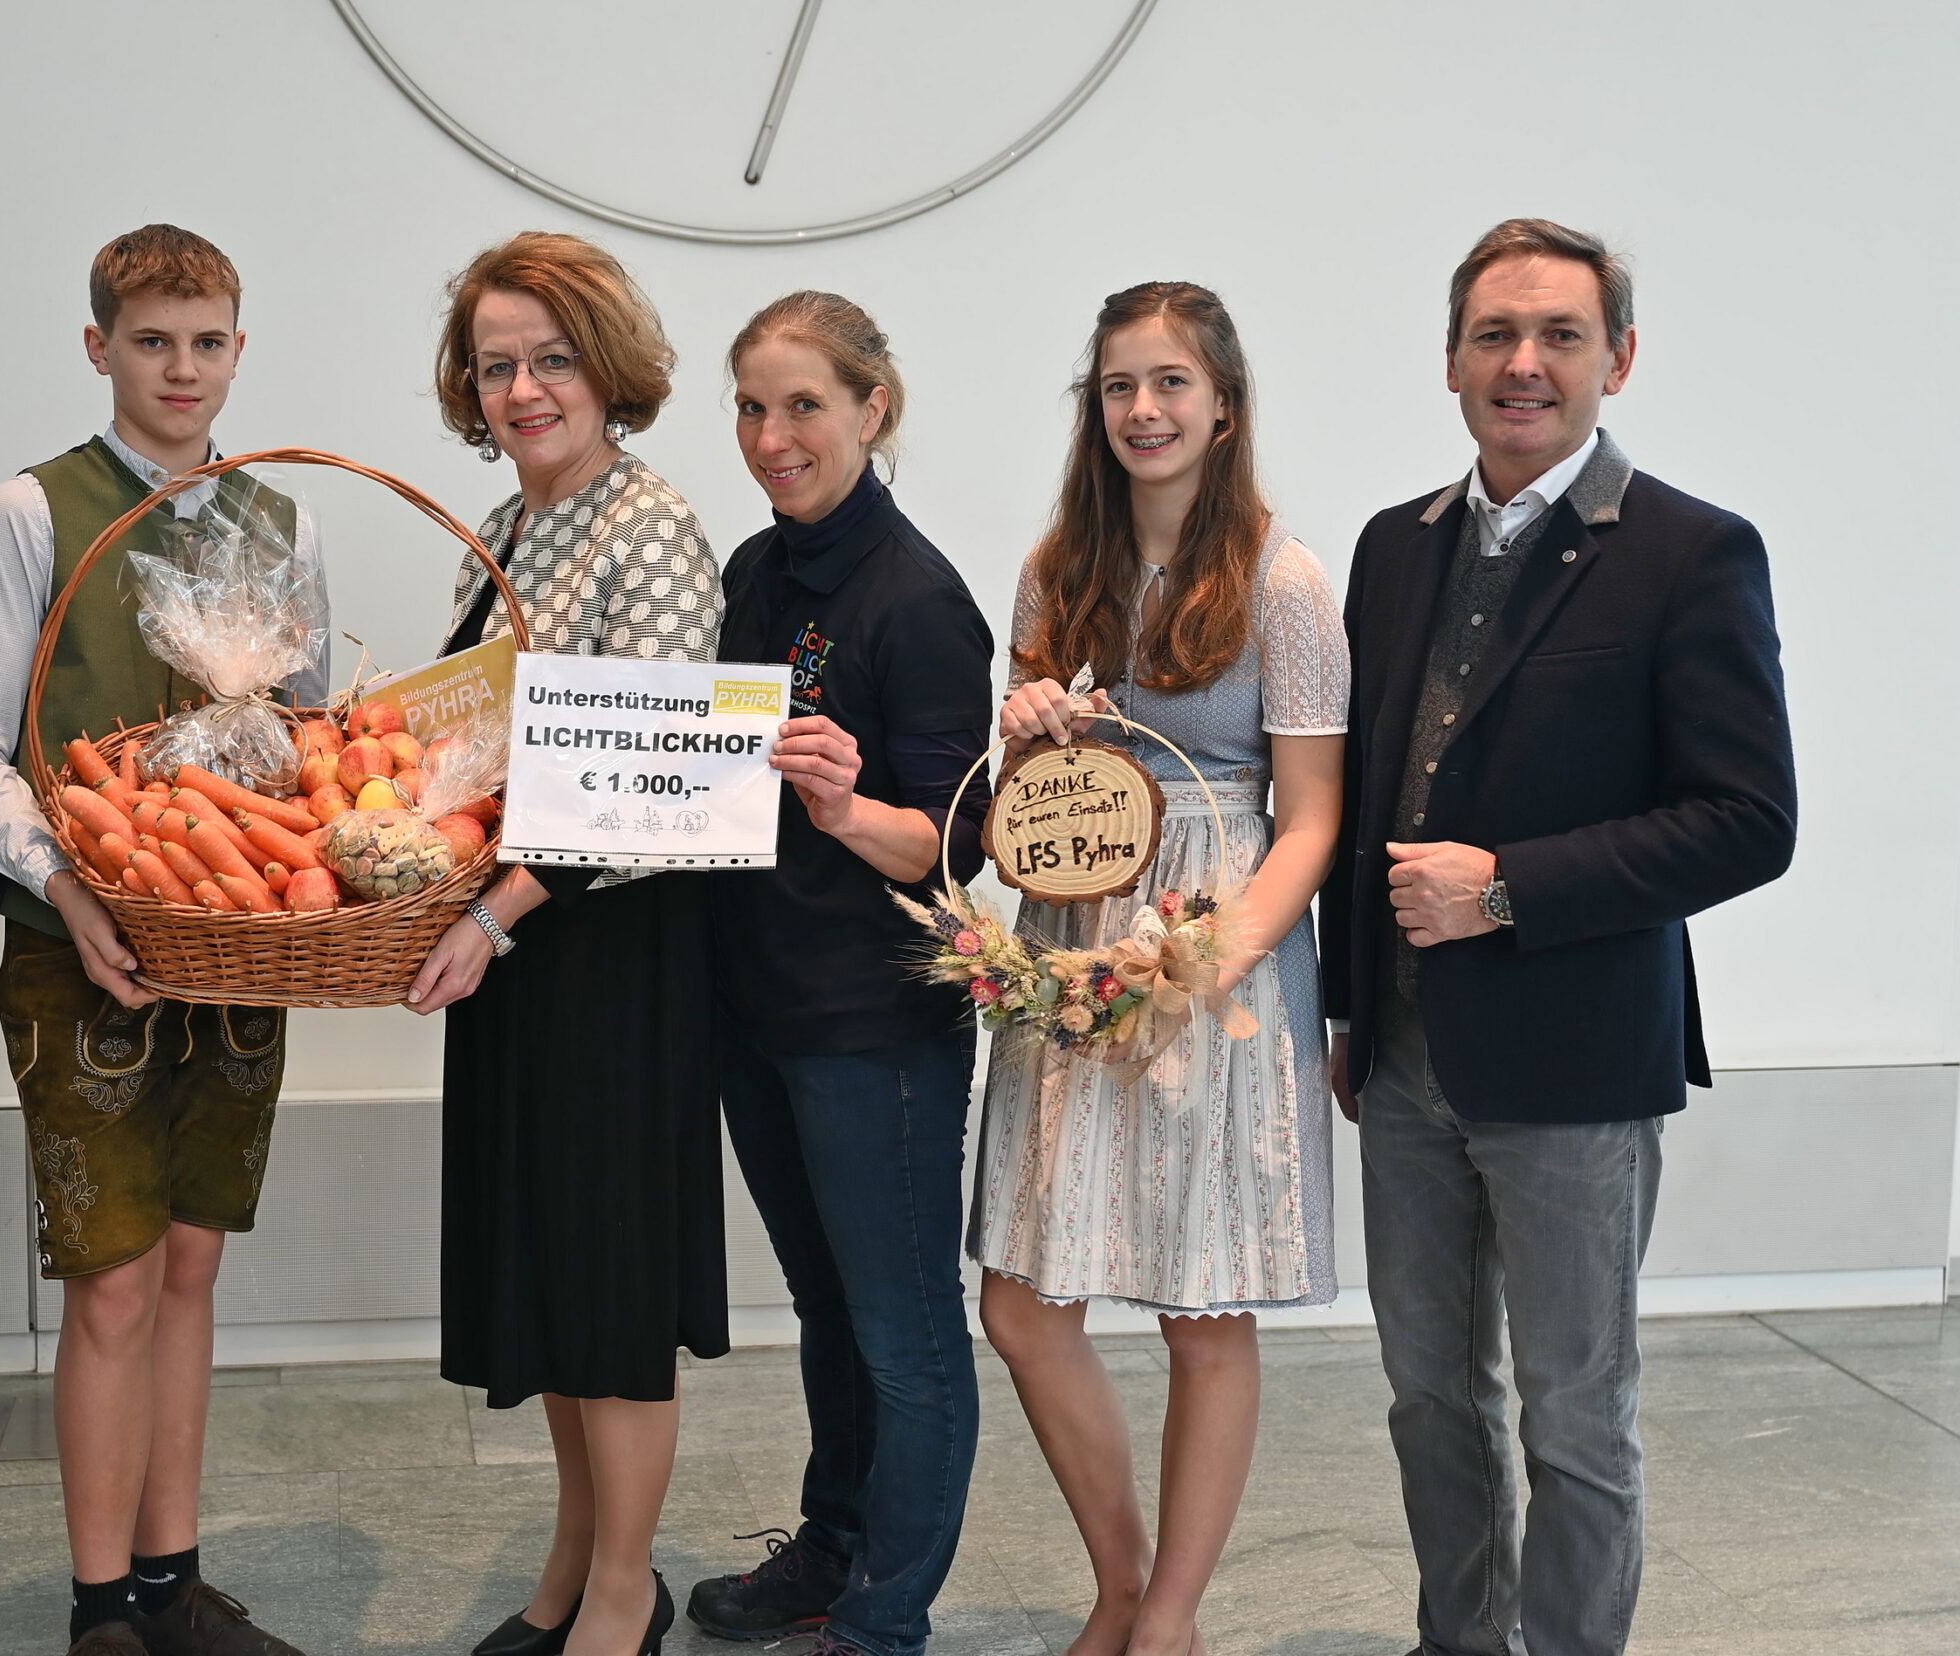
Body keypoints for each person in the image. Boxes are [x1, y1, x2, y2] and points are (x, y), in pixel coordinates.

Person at [1320, 219, 1794, 1656]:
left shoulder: (1693, 552)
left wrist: (1508, 885)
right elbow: (1359, 794)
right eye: (1494, 336)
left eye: (1562, 336)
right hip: (1399, 1058)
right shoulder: (1393, 550)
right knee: (1427, 1399)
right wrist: (1348, 1002)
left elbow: (1747, 820)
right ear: (1453, 359)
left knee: (1578, 1415)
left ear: (1619, 359)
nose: (1524, 364)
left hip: (1579, 1064)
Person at [0, 224, 326, 1656]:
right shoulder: (27, 516)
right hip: (78, 945)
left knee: (194, 1266)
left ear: (239, 348)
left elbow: (308, 737)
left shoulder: (284, 523)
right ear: (98, 346)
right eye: (151, 339)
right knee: (109, 1278)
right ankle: (101, 1607)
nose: (181, 366)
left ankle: (175, 1580)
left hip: (235, 956)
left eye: (208, 338)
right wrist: (74, 884)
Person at [972, 282, 1348, 1656]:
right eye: (1121, 385)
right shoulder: (1051, 570)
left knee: (1204, 1301)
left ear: (1223, 404)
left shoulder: (1285, 581)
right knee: (1022, 1302)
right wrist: (1025, 737)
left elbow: (1313, 813)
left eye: (1173, 382)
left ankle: (1169, 1618)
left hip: (1221, 953)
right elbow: (1022, 817)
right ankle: (1120, 1579)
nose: (1144, 409)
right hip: (1077, 940)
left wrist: (1207, 958)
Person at [406, 231, 727, 1656]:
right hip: (521, 949)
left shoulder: (646, 523)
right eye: (497, 365)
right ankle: (575, 1555)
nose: (525, 387)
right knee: (545, 1276)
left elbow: (657, 782)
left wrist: (489, 915)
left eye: (550, 358)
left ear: (607, 366)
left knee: (610, 1291)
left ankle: (621, 1594)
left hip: (610, 956)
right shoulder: (517, 524)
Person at [686, 293, 992, 1656]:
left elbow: (947, 846)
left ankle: (885, 1621)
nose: (772, 435)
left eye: (804, 404)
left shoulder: (920, 602)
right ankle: (834, 1542)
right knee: (828, 1311)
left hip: (876, 1026)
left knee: (909, 1334)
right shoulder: (755, 572)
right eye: (752, 406)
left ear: (875, 409)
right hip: (760, 1009)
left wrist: (845, 807)